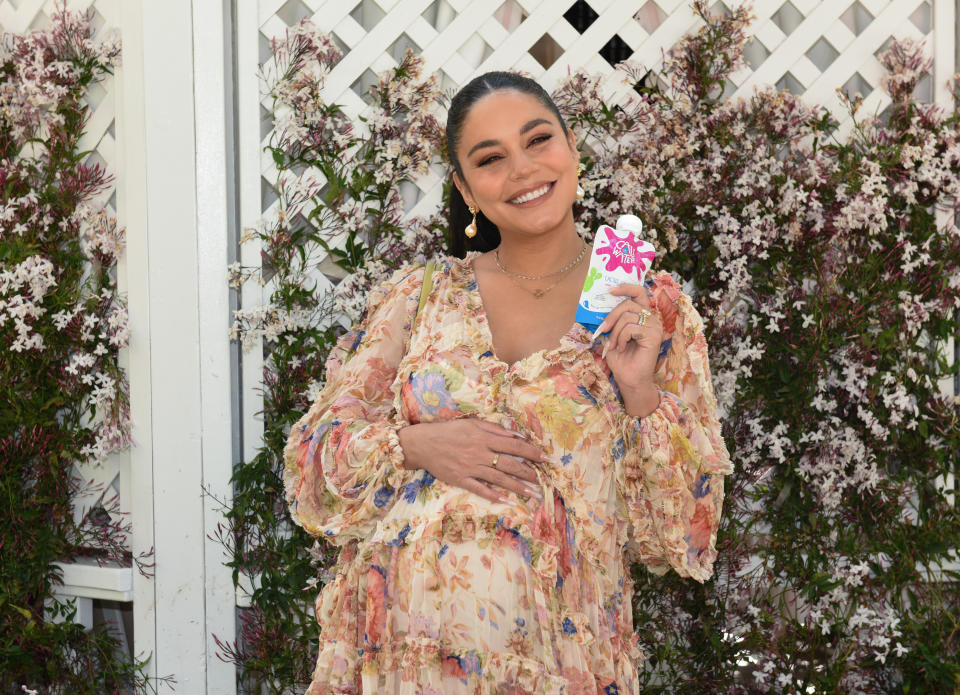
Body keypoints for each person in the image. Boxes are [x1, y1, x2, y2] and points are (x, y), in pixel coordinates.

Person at [282, 71, 733, 694]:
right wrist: (413, 446)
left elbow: (683, 533)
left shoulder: (649, 311)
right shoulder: (421, 298)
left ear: (572, 150)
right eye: (490, 158)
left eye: (538, 140)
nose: (521, 170)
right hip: (402, 665)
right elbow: (311, 469)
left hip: (563, 664)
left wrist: (638, 394)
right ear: (466, 190)